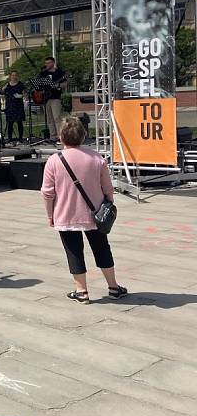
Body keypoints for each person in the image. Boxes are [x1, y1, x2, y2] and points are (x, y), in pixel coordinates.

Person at [41, 117, 127, 304]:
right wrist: (108, 206)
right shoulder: (97, 158)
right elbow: (108, 189)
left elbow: (47, 193)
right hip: (95, 213)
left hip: (66, 214)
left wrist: (50, 215)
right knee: (102, 248)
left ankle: (82, 291)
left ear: (61, 137)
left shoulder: (54, 161)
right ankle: (113, 286)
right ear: (83, 136)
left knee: (73, 251)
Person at [38, 56, 68, 142]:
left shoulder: (59, 72)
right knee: (49, 118)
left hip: (55, 97)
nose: (46, 64)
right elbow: (39, 85)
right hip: (46, 98)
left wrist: (58, 85)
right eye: (45, 63)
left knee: (57, 117)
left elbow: (65, 83)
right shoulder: (43, 73)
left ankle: (60, 136)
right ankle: (52, 136)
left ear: (53, 63)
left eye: (48, 63)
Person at [2, 71, 26, 143]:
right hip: (10, 105)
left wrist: (20, 96)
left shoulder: (20, 84)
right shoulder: (7, 85)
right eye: (12, 75)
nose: (14, 77)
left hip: (18, 105)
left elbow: (24, 94)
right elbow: (2, 91)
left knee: (19, 122)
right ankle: (10, 138)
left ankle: (20, 138)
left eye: (15, 75)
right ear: (10, 76)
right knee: (10, 123)